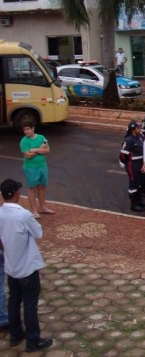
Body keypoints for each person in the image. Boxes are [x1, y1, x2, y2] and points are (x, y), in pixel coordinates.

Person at [0, 179, 53, 352]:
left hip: (11, 266)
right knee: (30, 304)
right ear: (16, 193)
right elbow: (38, 233)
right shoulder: (23, 215)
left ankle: (15, 335)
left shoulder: (1, 213)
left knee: (14, 301)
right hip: (27, 267)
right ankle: (33, 340)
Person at [19, 121, 53, 218]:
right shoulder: (24, 141)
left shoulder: (42, 138)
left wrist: (34, 149)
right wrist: (40, 149)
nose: (26, 131)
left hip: (42, 166)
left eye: (28, 129)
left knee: (42, 187)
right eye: (24, 130)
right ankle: (34, 210)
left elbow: (48, 150)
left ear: (33, 128)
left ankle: (43, 207)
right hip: (30, 168)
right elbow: (28, 156)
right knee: (32, 188)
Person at [119, 121, 145, 212]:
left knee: (140, 183)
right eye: (138, 128)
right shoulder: (129, 140)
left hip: (140, 163)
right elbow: (123, 155)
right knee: (133, 184)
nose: (140, 129)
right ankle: (134, 204)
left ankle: (139, 201)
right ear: (133, 130)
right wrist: (127, 162)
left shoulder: (139, 137)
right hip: (133, 164)